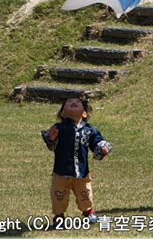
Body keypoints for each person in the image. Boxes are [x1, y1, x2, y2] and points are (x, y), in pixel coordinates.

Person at [41, 97, 112, 228]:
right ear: (62, 113)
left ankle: (88, 211)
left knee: (85, 193)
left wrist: (102, 148)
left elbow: (97, 142)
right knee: (58, 195)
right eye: (68, 103)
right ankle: (59, 216)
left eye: (78, 103)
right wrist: (51, 137)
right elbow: (51, 145)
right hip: (61, 171)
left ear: (84, 113)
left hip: (82, 171)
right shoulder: (59, 128)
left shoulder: (89, 130)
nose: (73, 103)